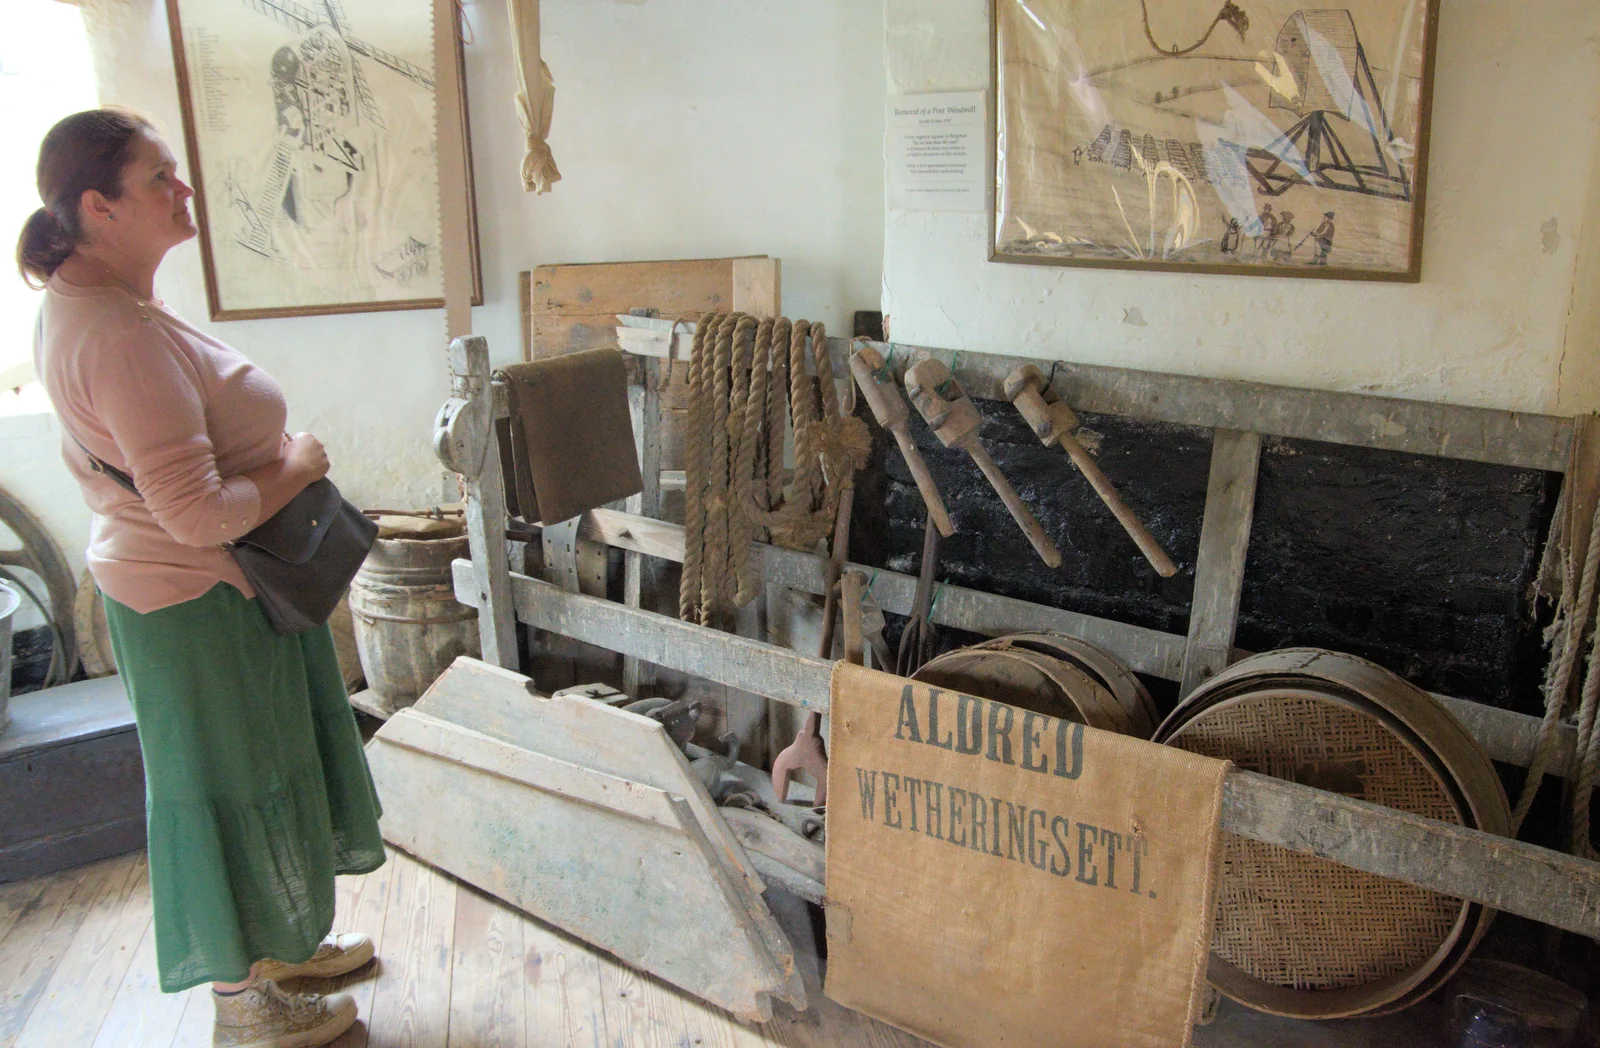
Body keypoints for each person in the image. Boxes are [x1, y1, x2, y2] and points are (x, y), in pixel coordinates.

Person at [17, 108, 385, 1048]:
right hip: (193, 594)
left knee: (269, 768)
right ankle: (246, 1006)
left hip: (212, 588)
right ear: (97, 207)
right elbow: (196, 512)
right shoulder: (116, 334)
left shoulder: (104, 302)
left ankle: (283, 948)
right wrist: (298, 466)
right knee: (225, 791)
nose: (184, 192)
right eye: (158, 180)